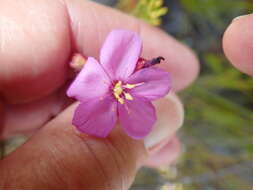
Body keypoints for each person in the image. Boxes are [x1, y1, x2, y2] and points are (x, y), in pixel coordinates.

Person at [0, 0, 248, 189]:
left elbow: (155, 79)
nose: (119, 90)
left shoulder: (129, 76)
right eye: (118, 89)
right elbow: (85, 86)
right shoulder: (92, 83)